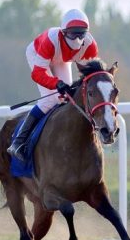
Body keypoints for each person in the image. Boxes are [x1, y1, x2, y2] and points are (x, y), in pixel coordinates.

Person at [7, 9, 99, 161]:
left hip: (62, 60)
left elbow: (90, 77)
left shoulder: (90, 46)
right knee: (51, 100)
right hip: (38, 55)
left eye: (81, 34)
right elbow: (38, 74)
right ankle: (18, 142)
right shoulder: (51, 40)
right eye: (72, 34)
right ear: (63, 32)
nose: (77, 39)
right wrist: (56, 83)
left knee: (68, 98)